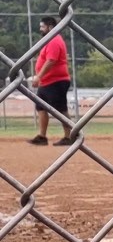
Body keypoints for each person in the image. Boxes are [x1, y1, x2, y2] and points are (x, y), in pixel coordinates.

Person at [28, 14, 75, 147]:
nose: (41, 29)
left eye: (43, 27)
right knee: (41, 107)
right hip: (47, 82)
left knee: (61, 109)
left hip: (57, 81)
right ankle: (42, 136)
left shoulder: (54, 40)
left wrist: (39, 76)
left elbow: (51, 61)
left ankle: (69, 136)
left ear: (50, 27)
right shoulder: (48, 40)